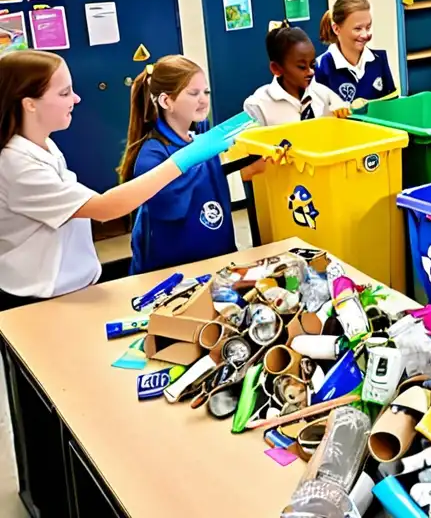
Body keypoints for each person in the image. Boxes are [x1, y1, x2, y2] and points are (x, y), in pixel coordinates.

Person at [0, 51, 237, 308]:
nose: (76, 99)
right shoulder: (18, 165)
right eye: (64, 93)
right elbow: (105, 208)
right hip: (36, 299)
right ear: (29, 103)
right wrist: (184, 160)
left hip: (74, 287)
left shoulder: (45, 146)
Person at [119, 56, 261, 276]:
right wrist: (202, 157)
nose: (203, 100)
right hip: (173, 275)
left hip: (218, 261)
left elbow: (212, 178)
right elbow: (169, 206)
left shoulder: (200, 138)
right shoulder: (152, 154)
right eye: (193, 94)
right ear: (167, 101)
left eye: (206, 92)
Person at [244, 22, 344, 127]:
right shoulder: (258, 105)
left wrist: (341, 111)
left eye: (312, 65)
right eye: (302, 67)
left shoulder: (323, 94)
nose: (311, 72)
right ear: (276, 68)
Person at [316, 0, 397, 109]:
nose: (365, 35)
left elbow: (392, 106)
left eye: (368, 27)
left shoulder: (380, 59)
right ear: (337, 29)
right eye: (358, 29)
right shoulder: (321, 68)